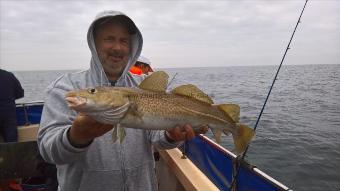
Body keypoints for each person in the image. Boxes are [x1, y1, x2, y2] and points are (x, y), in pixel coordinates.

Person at [38, 10, 207, 191]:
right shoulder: (65, 88)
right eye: (109, 39)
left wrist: (171, 136)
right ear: (94, 44)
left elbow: (156, 137)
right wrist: (76, 136)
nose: (118, 47)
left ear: (132, 47)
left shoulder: (143, 88)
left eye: (124, 41)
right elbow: (48, 152)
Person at [0, 69, 24, 142]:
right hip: (8, 116)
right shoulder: (9, 75)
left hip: (8, 116)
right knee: (12, 143)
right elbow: (20, 93)